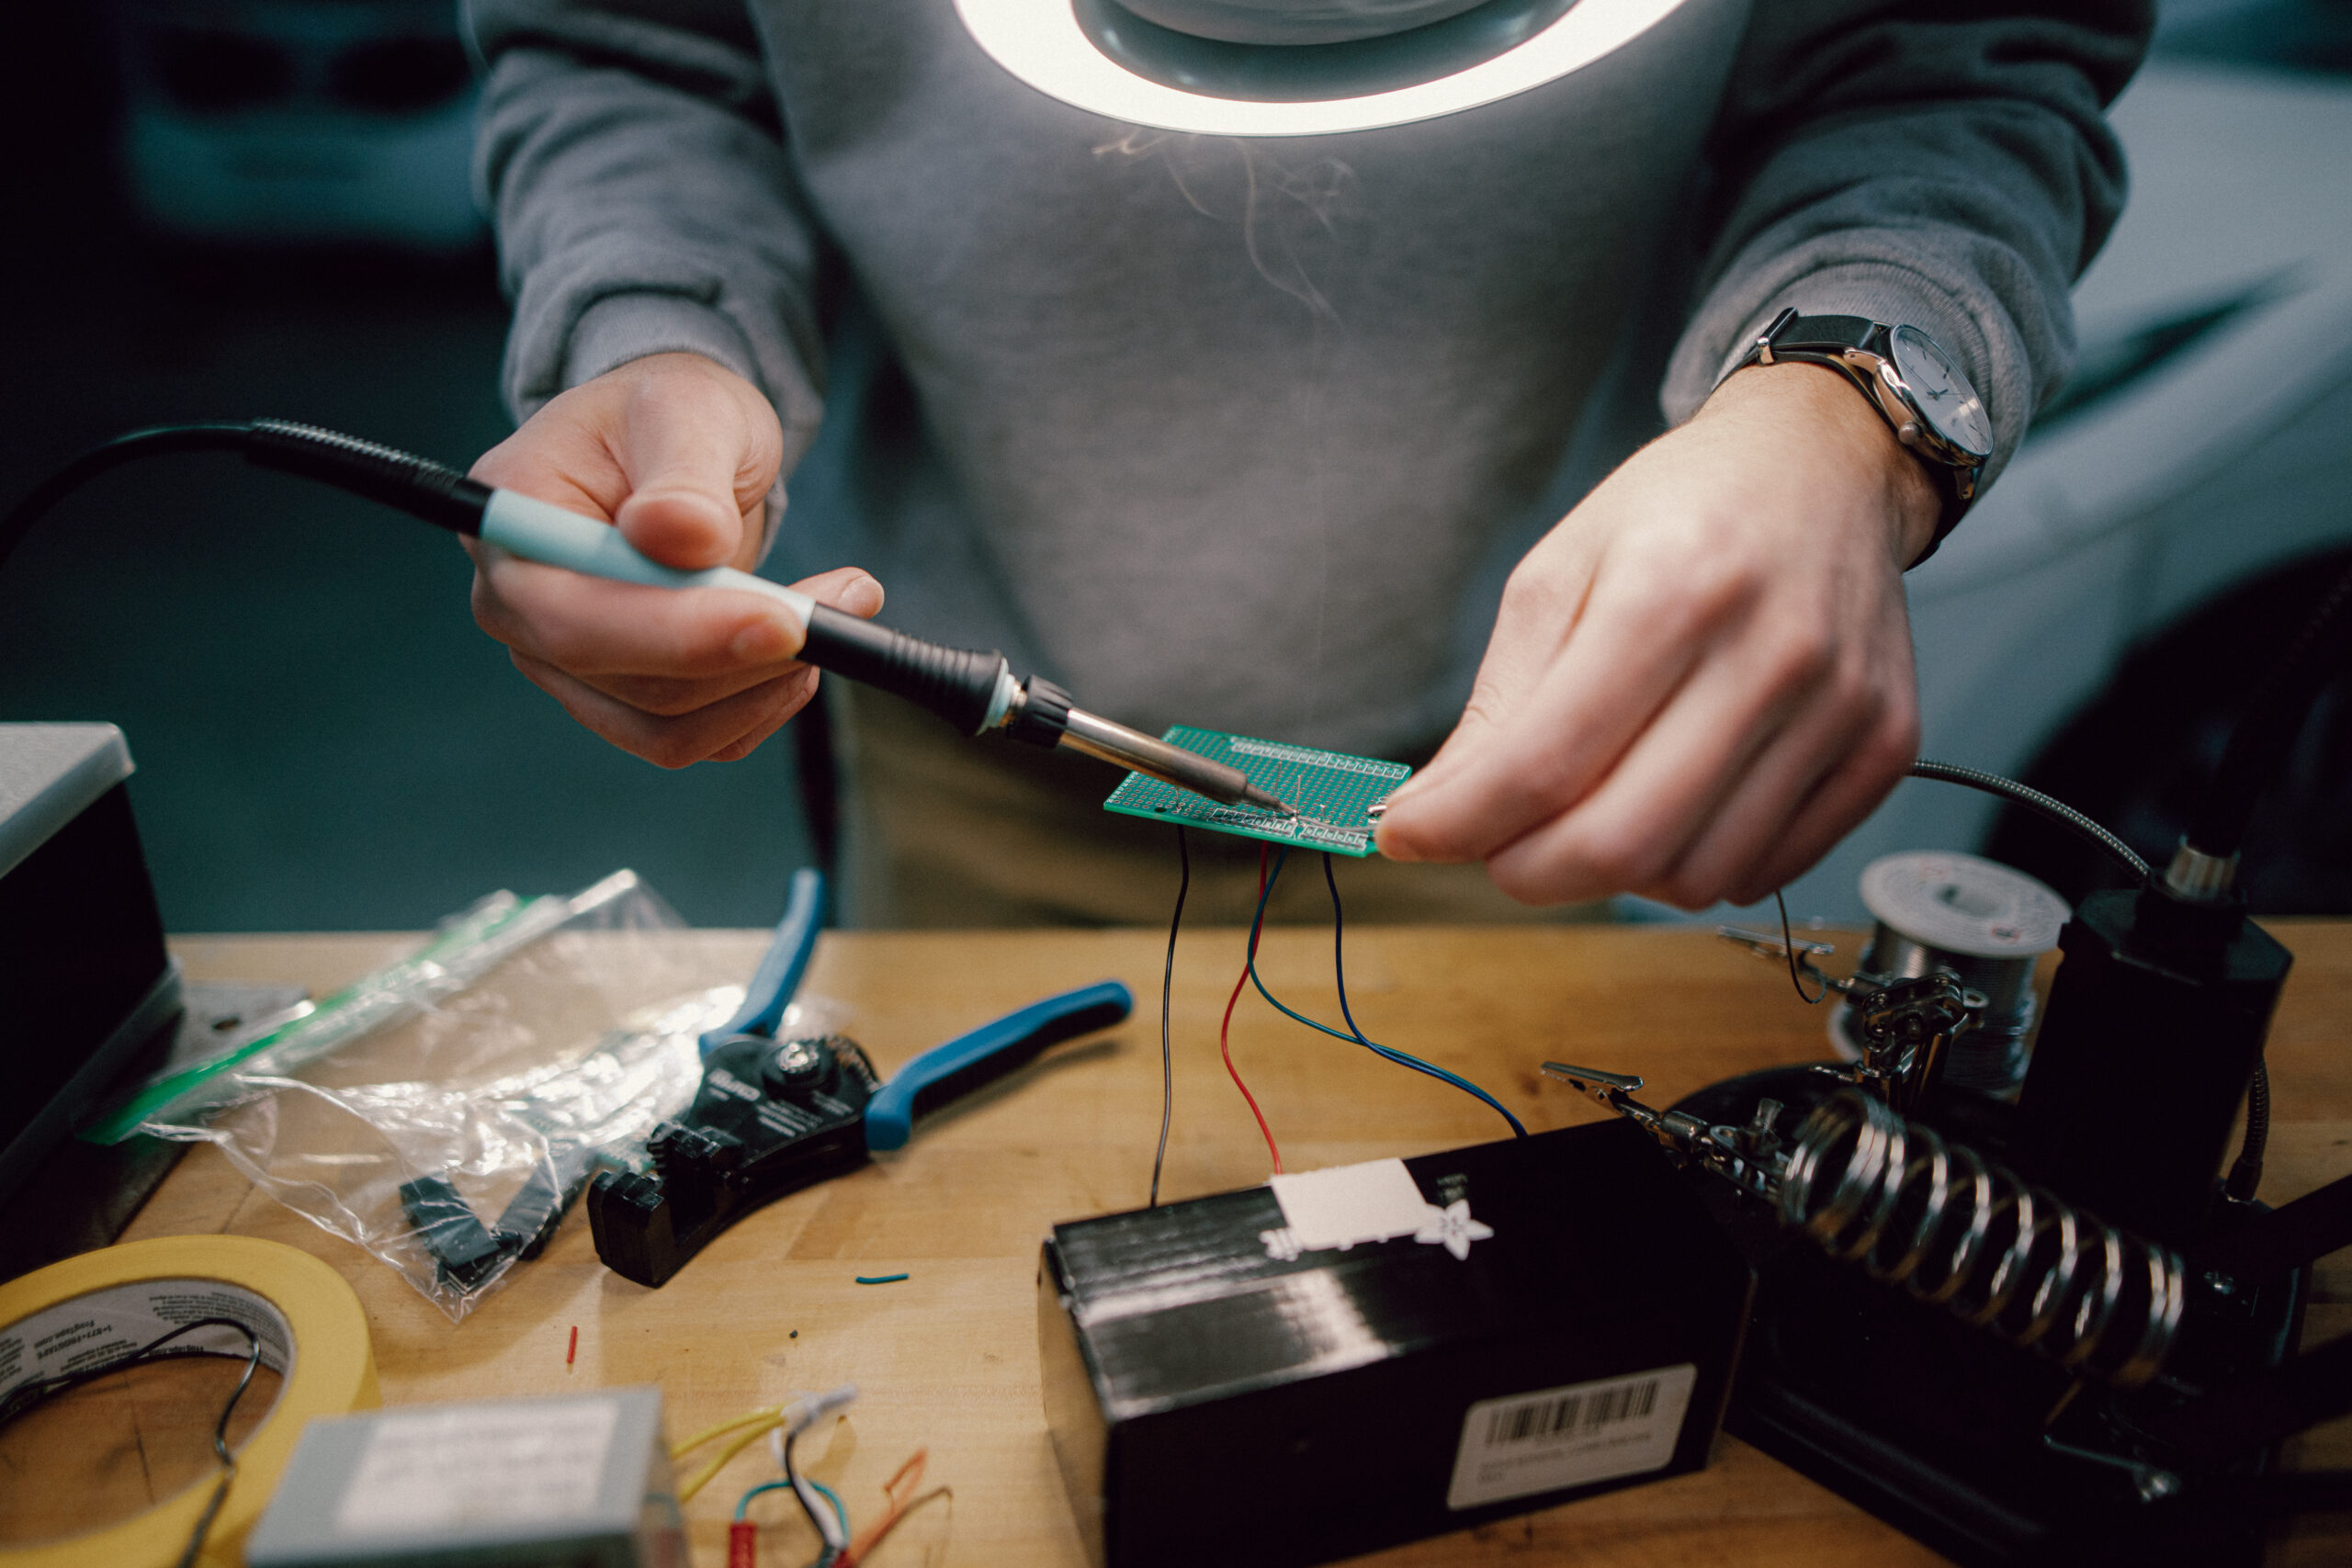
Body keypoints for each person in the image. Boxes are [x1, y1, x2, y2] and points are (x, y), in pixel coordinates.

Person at [459, 0, 2149, 926]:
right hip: (969, 751)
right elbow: (635, 44)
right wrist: (659, 334)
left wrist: (1846, 402)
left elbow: (1955, 59)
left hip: (1505, 772)